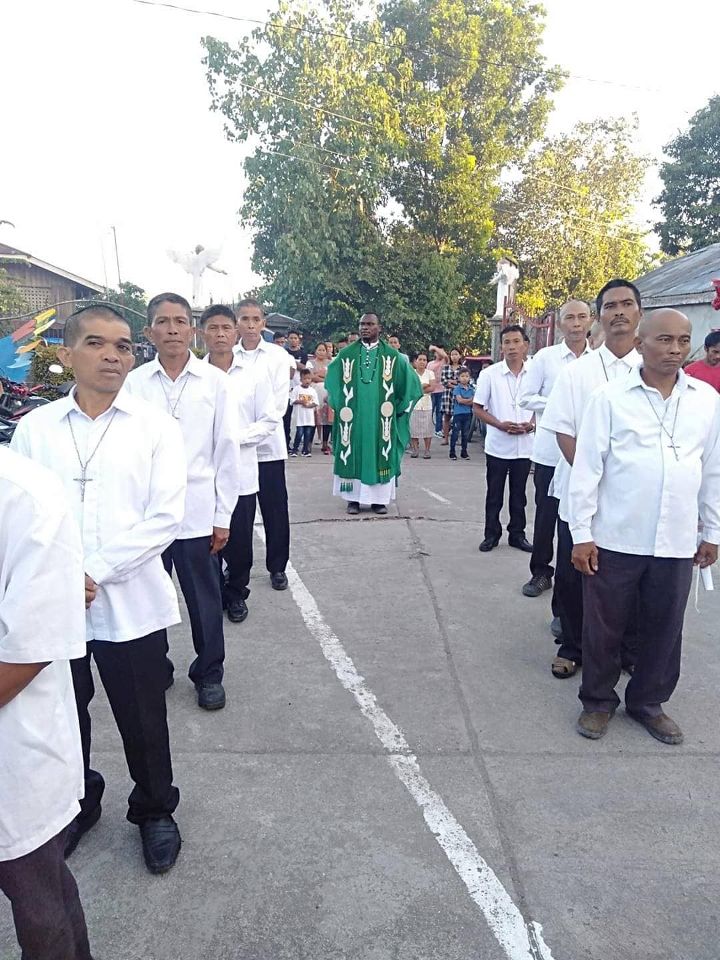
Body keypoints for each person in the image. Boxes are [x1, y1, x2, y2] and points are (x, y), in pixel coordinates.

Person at [12, 304, 186, 874]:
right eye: (96, 343)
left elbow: (165, 517)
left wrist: (94, 572)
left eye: (123, 345)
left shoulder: (156, 427)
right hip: (50, 609)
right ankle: (79, 802)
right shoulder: (35, 430)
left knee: (142, 714)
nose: (113, 354)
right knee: (65, 713)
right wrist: (57, 581)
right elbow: (17, 516)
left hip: (130, 603)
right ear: (66, 355)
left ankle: (155, 809)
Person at [568, 309, 720, 743]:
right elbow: (588, 470)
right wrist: (582, 534)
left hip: (675, 539)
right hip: (616, 535)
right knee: (604, 626)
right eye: (664, 340)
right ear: (640, 344)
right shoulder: (610, 398)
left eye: (682, 340)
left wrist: (712, 531)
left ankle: (648, 702)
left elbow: (712, 470)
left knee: (664, 627)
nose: (674, 349)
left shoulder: (706, 401)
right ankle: (598, 701)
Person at [125, 293, 241, 711]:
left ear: (192, 329)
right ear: (149, 331)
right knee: (147, 600)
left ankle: (209, 673)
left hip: (196, 515)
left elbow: (227, 451)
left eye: (180, 321)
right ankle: (155, 668)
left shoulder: (215, 383)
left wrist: (222, 516)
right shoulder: (134, 384)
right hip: (146, 515)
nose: (172, 329)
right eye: (163, 321)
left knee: (204, 602)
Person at [0, 447, 94, 960]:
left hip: (12, 749)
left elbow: (28, 651)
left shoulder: (26, 495)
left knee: (39, 903)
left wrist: (72, 583)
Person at [541, 279, 643, 680]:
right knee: (573, 572)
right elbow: (563, 430)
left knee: (628, 575)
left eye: (627, 304)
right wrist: (593, 480)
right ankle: (572, 645)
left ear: (639, 313)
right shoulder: (578, 372)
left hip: (636, 498)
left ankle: (627, 649)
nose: (619, 312)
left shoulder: (650, 371)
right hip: (579, 492)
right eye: (611, 306)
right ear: (599, 317)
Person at [199, 305, 280, 625]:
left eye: (225, 328)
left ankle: (236, 593)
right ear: (201, 332)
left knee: (239, 540)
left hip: (242, 472)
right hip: (202, 474)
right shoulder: (195, 376)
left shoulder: (253, 375)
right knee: (205, 539)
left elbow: (270, 418)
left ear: (235, 332)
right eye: (213, 328)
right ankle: (213, 592)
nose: (220, 334)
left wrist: (233, 439)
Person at [518, 300, 592, 600]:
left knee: (580, 520)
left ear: (591, 321)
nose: (576, 323)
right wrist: (563, 407)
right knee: (547, 517)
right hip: (551, 453)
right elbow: (525, 398)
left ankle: (572, 582)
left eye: (582, 317)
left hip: (588, 456)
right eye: (570, 318)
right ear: (559, 323)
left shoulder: (600, 361)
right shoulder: (546, 359)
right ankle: (540, 572)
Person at [325, 312, 423, 515]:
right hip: (353, 418)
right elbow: (332, 379)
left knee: (381, 451)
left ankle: (379, 501)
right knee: (351, 450)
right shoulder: (346, 354)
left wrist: (401, 406)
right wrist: (335, 399)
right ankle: (352, 499)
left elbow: (411, 381)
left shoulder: (393, 356)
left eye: (370, 324)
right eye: (362, 324)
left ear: (379, 328)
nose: (365, 328)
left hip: (381, 419)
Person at [229, 299, 293, 592]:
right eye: (245, 319)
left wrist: (243, 436)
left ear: (264, 323)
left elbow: (277, 406)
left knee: (274, 509)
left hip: (268, 447)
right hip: (235, 452)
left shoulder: (278, 356)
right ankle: (236, 566)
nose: (251, 325)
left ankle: (277, 566)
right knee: (237, 512)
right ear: (237, 322)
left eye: (256, 319)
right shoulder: (227, 355)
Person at [473, 325, 535, 552]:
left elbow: (545, 405)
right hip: (498, 445)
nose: (511, 347)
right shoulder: (490, 374)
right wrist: (499, 424)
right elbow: (478, 408)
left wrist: (533, 424)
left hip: (525, 445)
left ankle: (517, 535)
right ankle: (491, 534)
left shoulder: (535, 372)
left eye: (516, 342)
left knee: (520, 495)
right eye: (507, 342)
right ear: (501, 347)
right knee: (494, 493)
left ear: (525, 344)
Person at [409, 351, 435, 458]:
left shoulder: (430, 373)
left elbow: (432, 388)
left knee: (427, 428)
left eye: (424, 360)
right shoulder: (412, 373)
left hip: (427, 404)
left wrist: (418, 388)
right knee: (413, 428)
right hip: (414, 404)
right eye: (420, 359)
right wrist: (424, 385)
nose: (422, 362)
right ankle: (415, 450)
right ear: (416, 361)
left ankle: (427, 450)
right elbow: (410, 389)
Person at [308, 341, 333, 453]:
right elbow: (310, 377)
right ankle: (308, 444)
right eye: (319, 350)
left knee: (327, 419)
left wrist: (318, 375)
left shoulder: (331, 363)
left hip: (327, 394)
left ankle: (325, 443)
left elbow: (332, 377)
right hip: (314, 393)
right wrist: (322, 377)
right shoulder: (310, 363)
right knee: (313, 418)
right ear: (315, 351)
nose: (321, 352)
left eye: (323, 350)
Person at [440, 349, 468, 445]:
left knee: (459, 417)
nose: (454, 356)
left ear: (460, 356)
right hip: (447, 395)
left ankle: (458, 438)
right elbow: (443, 381)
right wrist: (455, 383)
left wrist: (452, 382)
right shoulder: (445, 367)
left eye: (456, 354)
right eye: (452, 354)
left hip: (459, 395)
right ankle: (445, 438)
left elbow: (464, 381)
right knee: (446, 417)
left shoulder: (463, 368)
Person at [290, 368, 319, 457]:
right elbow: (292, 401)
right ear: (301, 379)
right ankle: (295, 450)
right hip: (300, 417)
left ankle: (305, 450)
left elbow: (316, 403)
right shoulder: (296, 389)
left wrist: (309, 406)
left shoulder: (312, 391)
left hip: (309, 417)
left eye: (309, 379)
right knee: (299, 434)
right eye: (305, 379)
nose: (307, 381)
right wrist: (301, 402)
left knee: (308, 434)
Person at [450, 368, 474, 459]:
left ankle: (464, 452)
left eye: (467, 376)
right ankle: (452, 452)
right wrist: (468, 400)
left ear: (469, 378)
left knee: (465, 434)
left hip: (467, 414)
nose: (464, 378)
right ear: (458, 378)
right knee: (455, 433)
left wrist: (466, 400)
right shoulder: (457, 388)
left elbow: (473, 401)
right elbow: (459, 400)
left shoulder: (471, 389)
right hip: (458, 414)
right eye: (462, 376)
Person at [427, 344, 448, 436]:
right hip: (431, 390)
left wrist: (435, 347)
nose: (440, 353)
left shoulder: (444, 361)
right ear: (435, 354)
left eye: (441, 351)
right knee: (429, 411)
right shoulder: (430, 364)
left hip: (441, 390)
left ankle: (438, 430)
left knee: (439, 412)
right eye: (438, 352)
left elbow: (445, 356)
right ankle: (426, 429)